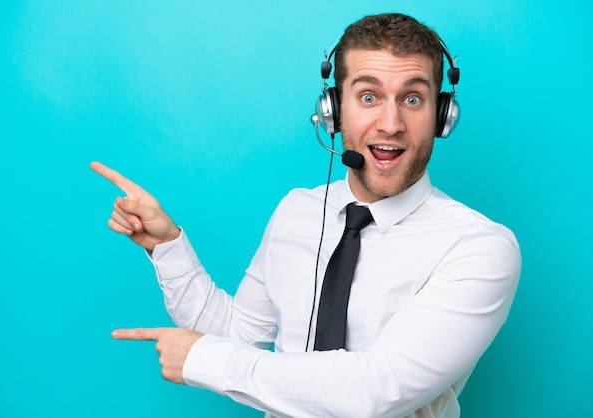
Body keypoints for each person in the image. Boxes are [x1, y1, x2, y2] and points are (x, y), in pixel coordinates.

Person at [92, 13, 521, 418]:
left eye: (412, 98)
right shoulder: (298, 210)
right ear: (333, 110)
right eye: (368, 96)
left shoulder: (479, 247)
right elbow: (237, 332)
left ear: (442, 116)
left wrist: (204, 360)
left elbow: (377, 389)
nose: (391, 123)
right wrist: (166, 246)